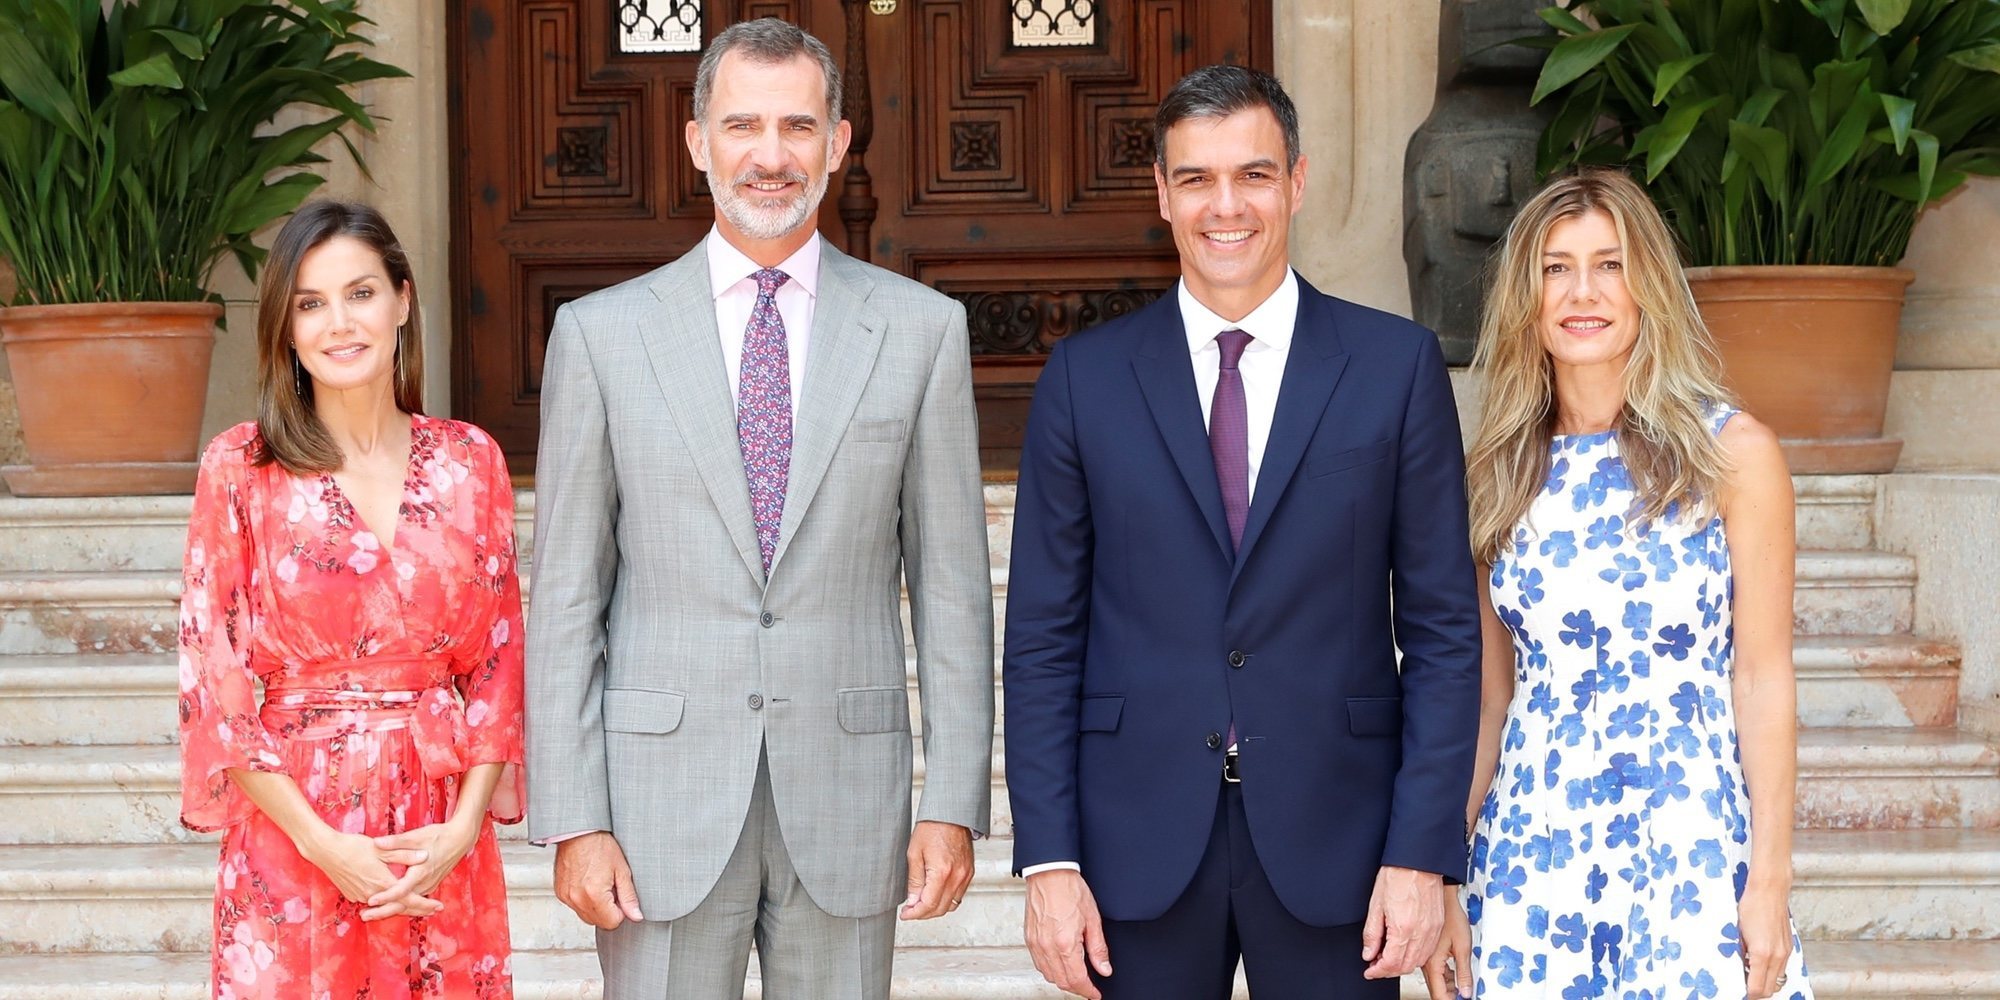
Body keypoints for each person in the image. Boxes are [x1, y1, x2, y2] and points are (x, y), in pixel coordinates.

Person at [523, 17, 995, 1000]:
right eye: (742, 126)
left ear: (838, 142)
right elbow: (568, 596)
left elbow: (950, 589)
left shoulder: (920, 333)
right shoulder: (600, 337)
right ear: (697, 141)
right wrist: (574, 814)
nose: (770, 156)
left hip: (848, 797)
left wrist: (951, 799)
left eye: (796, 126)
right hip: (657, 809)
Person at [1003, 64, 1483, 999]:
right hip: (1132, 845)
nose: (1227, 206)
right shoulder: (1083, 380)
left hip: (1342, 844)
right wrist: (1050, 860)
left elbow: (1443, 634)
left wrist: (1423, 853)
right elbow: (1042, 641)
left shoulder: (1395, 368)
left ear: (1297, 182)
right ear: (1162, 194)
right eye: (1197, 179)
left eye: (1254, 175)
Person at [1422, 168, 1812, 1000]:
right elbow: (1489, 703)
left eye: (1609, 263)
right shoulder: (1495, 476)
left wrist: (1770, 879)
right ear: (1527, 297)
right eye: (1556, 267)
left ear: (1650, 288)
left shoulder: (1734, 456)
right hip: (1534, 842)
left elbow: (1763, 676)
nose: (1582, 291)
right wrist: (1446, 877)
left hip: (1688, 838)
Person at [176, 200, 526, 999]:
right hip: (296, 833)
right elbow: (216, 686)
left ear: (403, 300)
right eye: (311, 303)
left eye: (361, 293)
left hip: (439, 832)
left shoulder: (472, 462)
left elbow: (502, 663)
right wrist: (326, 845)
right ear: (287, 330)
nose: (340, 322)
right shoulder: (241, 469)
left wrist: (463, 829)